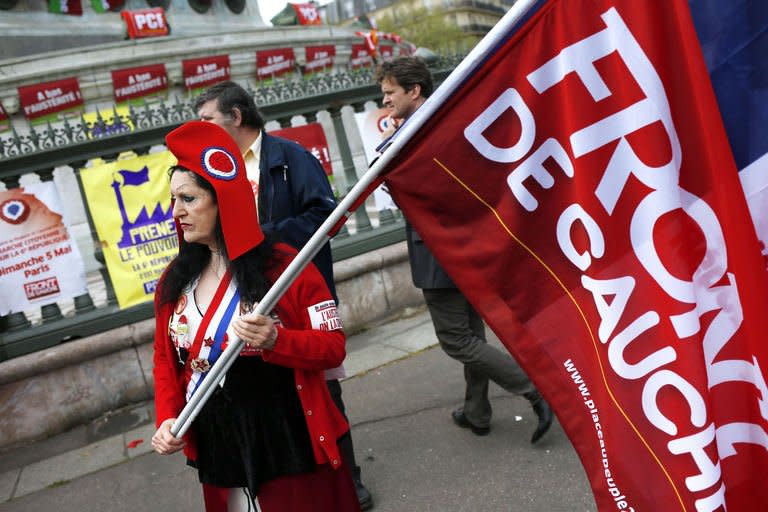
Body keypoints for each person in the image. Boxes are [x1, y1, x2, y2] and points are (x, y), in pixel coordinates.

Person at [151, 120, 360, 512]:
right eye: (174, 199)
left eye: (189, 199)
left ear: (223, 200)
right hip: (219, 443)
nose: (176, 211)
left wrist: (278, 341)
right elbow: (166, 360)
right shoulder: (173, 280)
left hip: (288, 433)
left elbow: (333, 348)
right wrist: (167, 417)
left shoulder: (284, 266)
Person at [192, 81, 373, 511]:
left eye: (208, 120)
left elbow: (326, 215)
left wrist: (260, 238)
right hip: (243, 304)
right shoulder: (215, 169)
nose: (202, 130)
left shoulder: (290, 158)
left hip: (297, 296)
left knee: (323, 390)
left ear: (235, 117)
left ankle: (349, 480)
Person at [375, 57, 554, 442]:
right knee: (472, 333)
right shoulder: (445, 122)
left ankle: (535, 387)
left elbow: (388, 192)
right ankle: (477, 411)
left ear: (414, 90)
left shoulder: (410, 137)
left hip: (437, 248)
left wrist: (391, 141)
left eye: (390, 93)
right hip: (464, 242)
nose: (385, 100)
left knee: (456, 339)